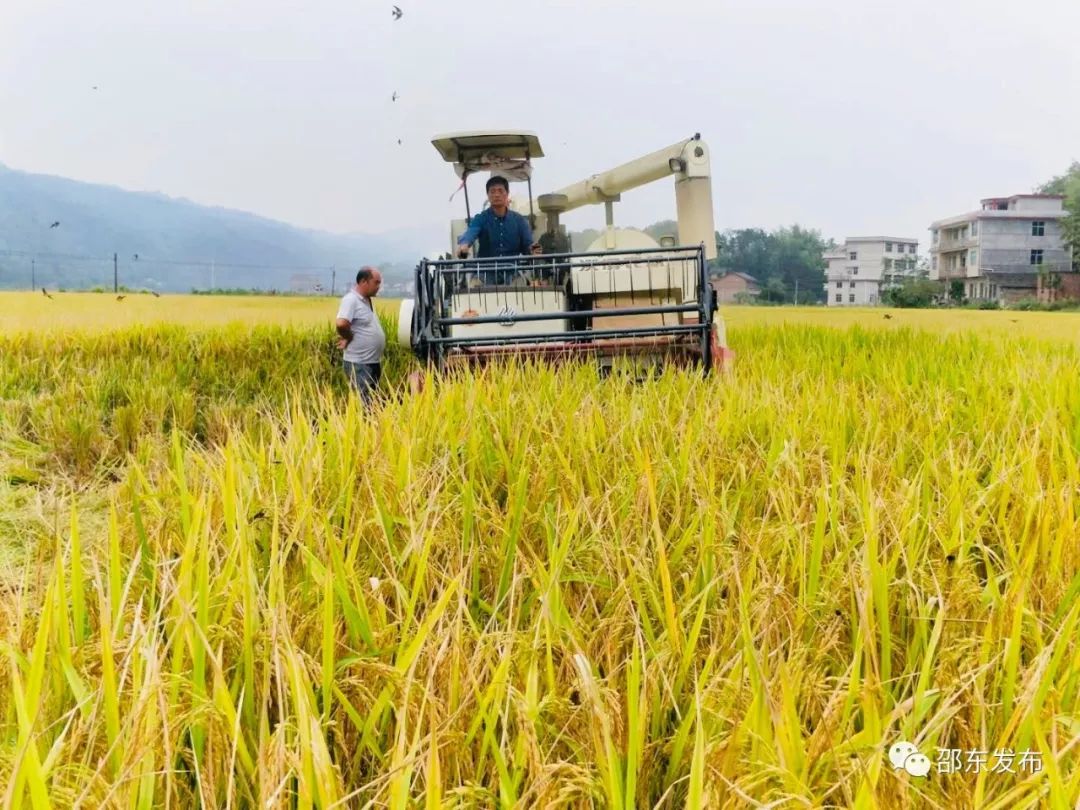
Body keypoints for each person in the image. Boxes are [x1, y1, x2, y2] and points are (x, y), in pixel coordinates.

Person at [456, 177, 539, 284]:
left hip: (512, 273)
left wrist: (535, 250)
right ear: (488, 195)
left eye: (500, 191)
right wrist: (464, 245)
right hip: (485, 273)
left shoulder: (519, 221)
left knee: (520, 287)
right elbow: (471, 232)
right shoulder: (481, 218)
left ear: (507, 193)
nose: (496, 195)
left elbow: (529, 244)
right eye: (492, 191)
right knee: (475, 287)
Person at [335, 267, 385, 405]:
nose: (378, 287)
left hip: (371, 362)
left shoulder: (366, 300)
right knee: (364, 405)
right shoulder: (351, 300)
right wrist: (348, 337)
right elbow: (341, 324)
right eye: (376, 282)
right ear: (364, 281)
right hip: (359, 364)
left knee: (372, 403)